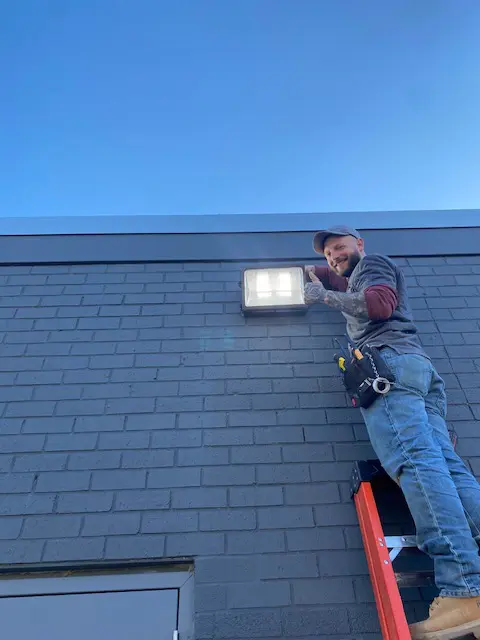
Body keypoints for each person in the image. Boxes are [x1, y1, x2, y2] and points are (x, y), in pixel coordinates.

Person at [304, 224, 480, 640]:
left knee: (416, 466)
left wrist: (324, 296)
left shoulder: (374, 265)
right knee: (449, 470)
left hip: (390, 369)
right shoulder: (353, 269)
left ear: (360, 244)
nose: (333, 256)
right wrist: (319, 274)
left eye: (340, 247)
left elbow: (379, 305)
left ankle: (465, 588)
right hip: (415, 370)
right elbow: (330, 274)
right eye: (328, 253)